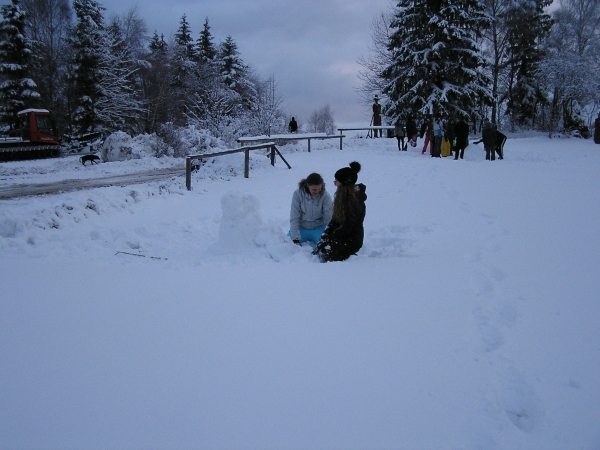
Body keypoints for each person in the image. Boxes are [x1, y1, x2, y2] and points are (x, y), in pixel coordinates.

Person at [313, 162, 367, 262]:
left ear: (344, 182)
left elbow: (348, 226)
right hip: (341, 236)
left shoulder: (356, 202)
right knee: (321, 247)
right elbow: (335, 220)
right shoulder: (342, 198)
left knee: (326, 249)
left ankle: (346, 260)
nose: (335, 183)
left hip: (352, 239)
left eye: (336, 181)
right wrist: (326, 235)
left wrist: (331, 237)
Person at [289, 172, 333, 249]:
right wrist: (295, 238)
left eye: (319, 189)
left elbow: (329, 217)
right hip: (302, 227)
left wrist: (330, 234)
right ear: (307, 185)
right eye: (314, 189)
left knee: (327, 246)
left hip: (318, 227)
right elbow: (294, 216)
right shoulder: (297, 194)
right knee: (287, 244)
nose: (317, 191)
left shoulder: (325, 196)